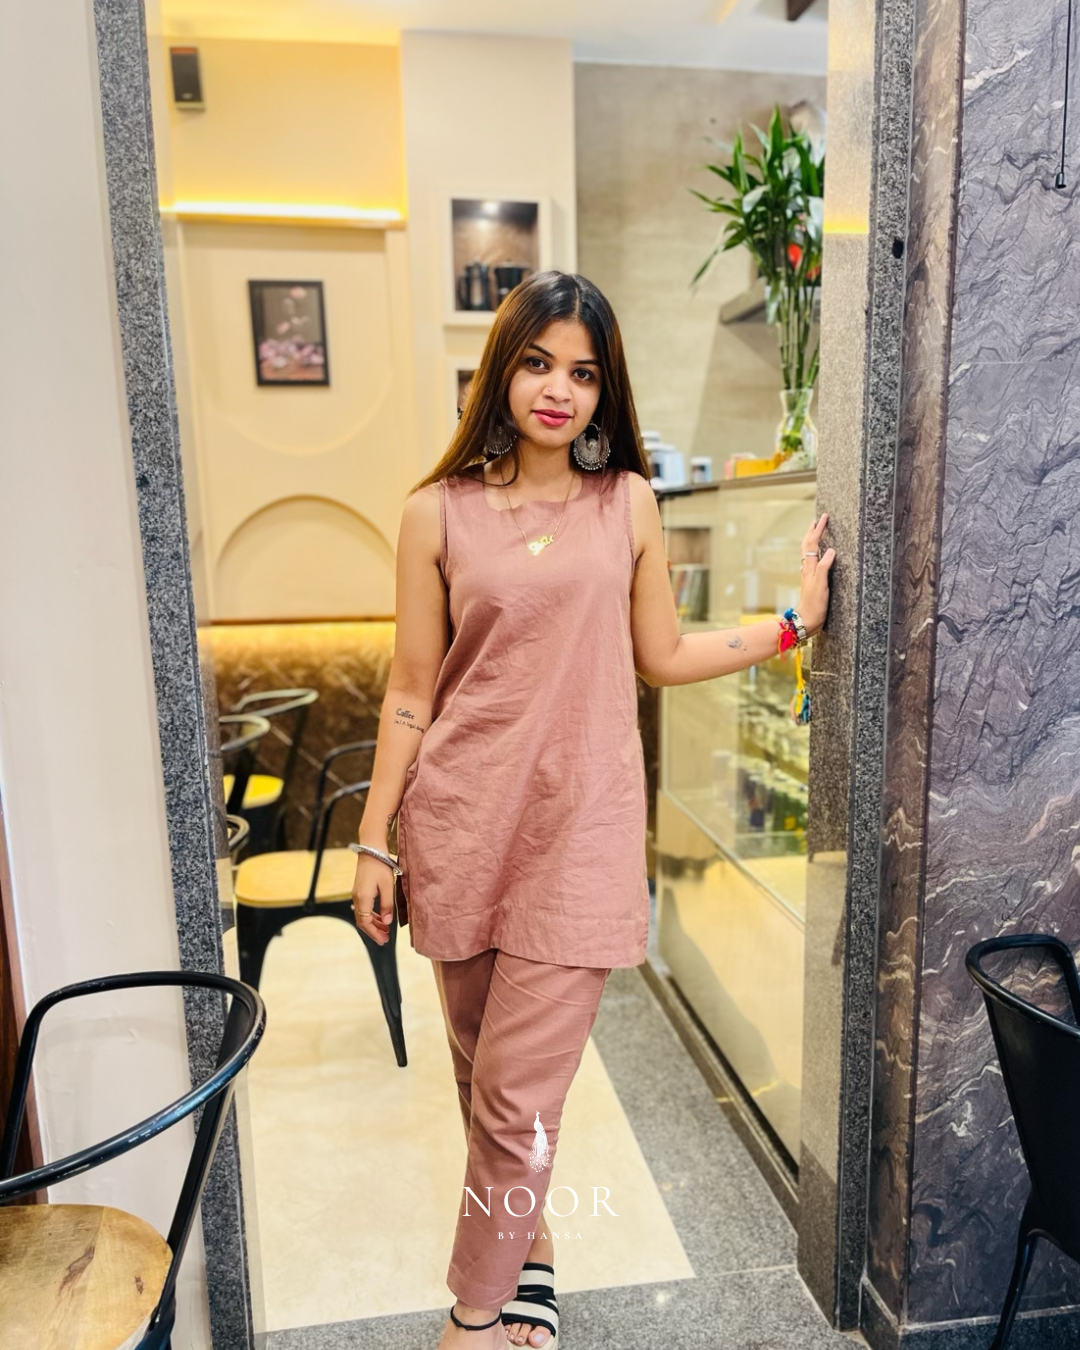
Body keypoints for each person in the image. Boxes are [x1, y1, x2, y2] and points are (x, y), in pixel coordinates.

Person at [350, 271, 835, 1350]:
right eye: (536, 363)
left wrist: (790, 626)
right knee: (483, 1078)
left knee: (516, 1096)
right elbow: (411, 691)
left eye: (582, 372)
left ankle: (475, 1319)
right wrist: (374, 839)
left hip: (579, 835)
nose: (558, 390)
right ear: (500, 370)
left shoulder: (627, 505)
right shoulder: (434, 513)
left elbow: (661, 653)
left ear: (605, 389)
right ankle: (532, 1253)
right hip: (460, 824)